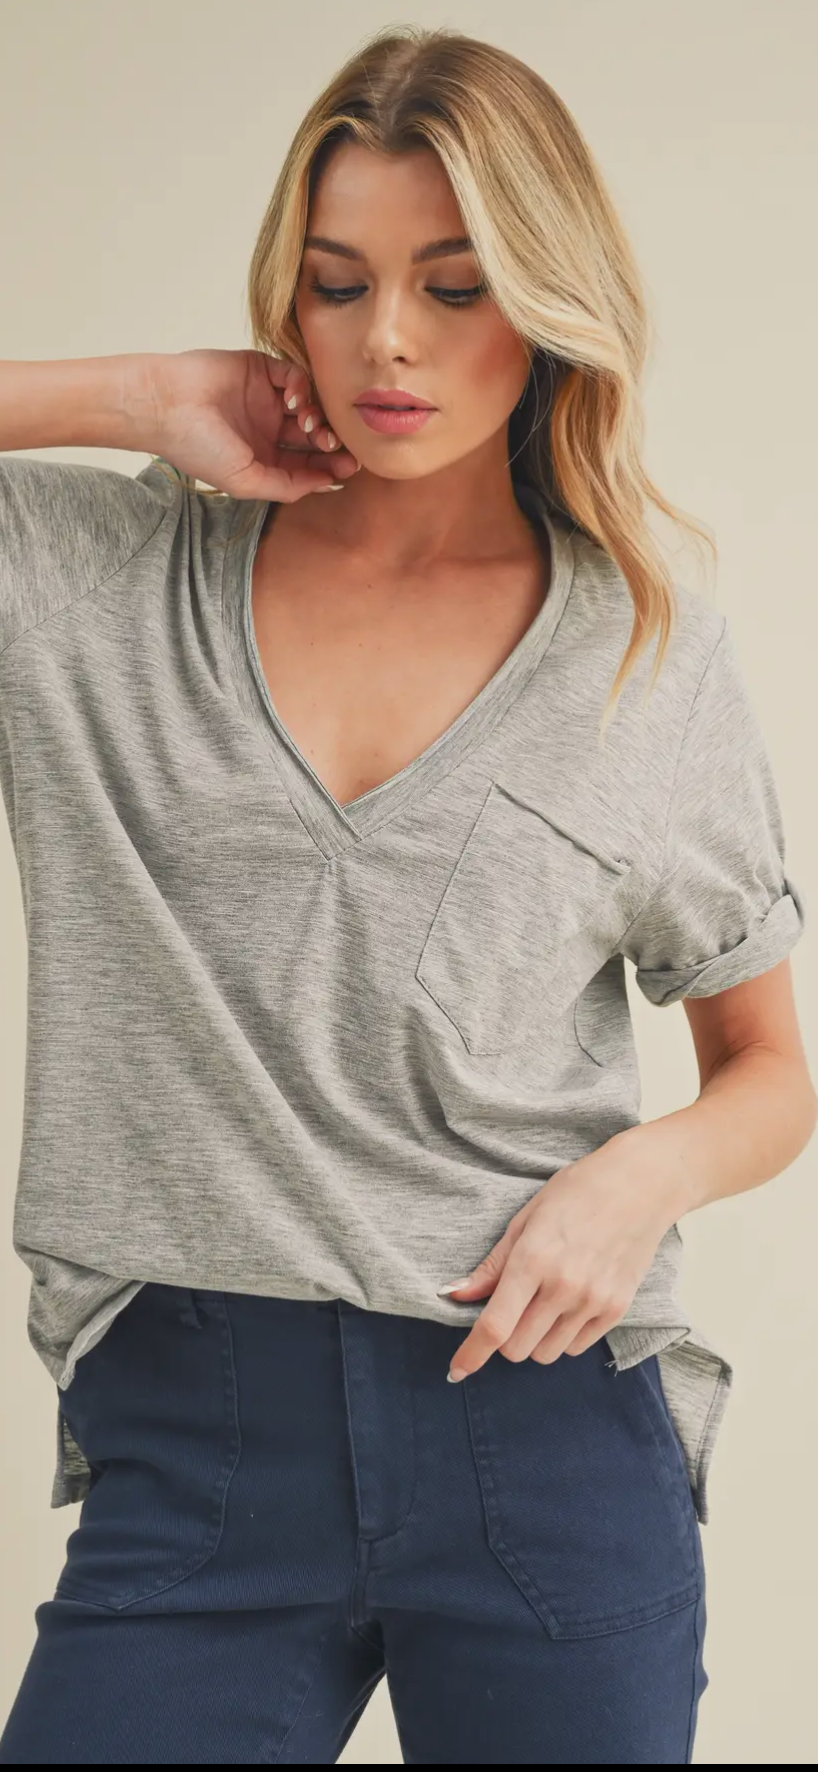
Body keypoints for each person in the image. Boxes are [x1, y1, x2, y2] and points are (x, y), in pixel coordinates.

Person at [0, 23, 813, 1767]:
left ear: (547, 300)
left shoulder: (640, 645)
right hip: (201, 1444)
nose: (386, 340)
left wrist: (636, 1179)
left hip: (542, 1439)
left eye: (454, 286)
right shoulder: (96, 583)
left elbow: (768, 1074)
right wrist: (128, 398)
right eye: (337, 282)